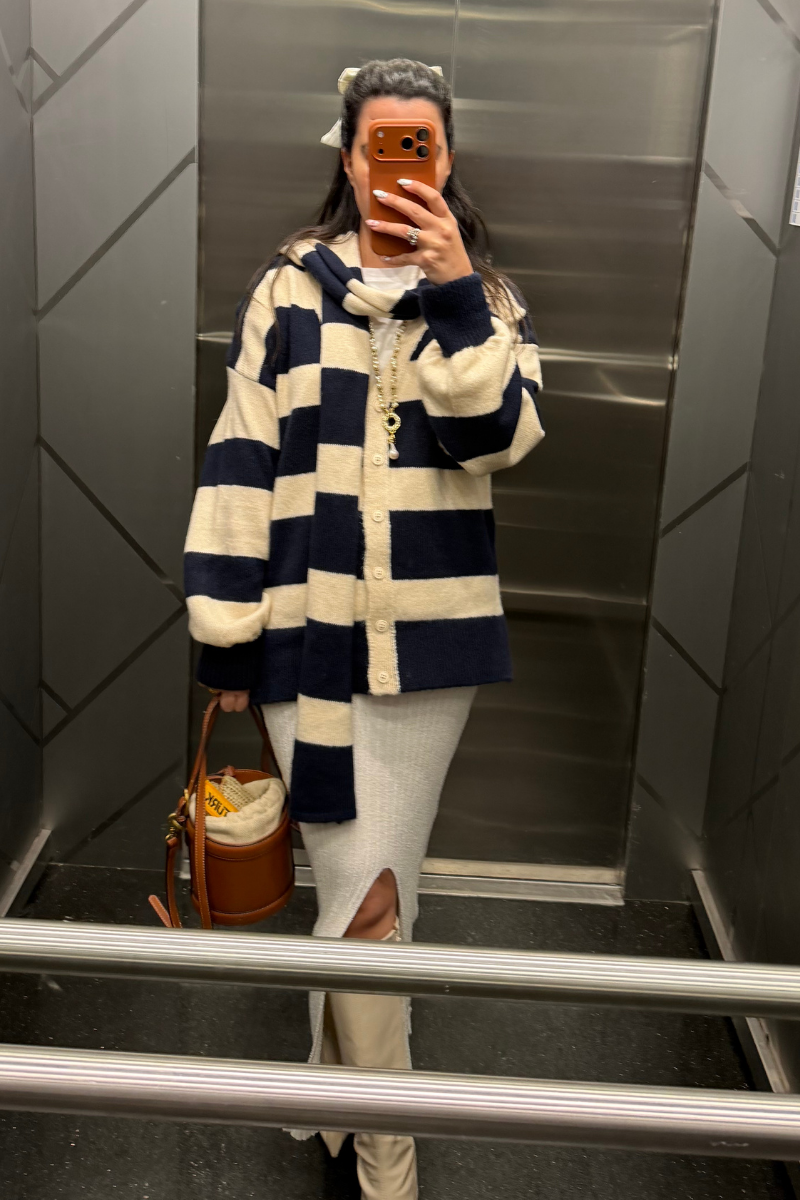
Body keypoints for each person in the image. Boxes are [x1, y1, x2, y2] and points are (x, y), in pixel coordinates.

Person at [184, 57, 544, 1200]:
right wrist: (227, 633)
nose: (398, 164)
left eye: (418, 146)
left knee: (373, 895)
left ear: (445, 159)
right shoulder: (287, 291)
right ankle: (390, 1154)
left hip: (429, 649)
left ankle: (337, 1108)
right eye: (380, 144)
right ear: (347, 158)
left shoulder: (484, 299)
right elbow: (240, 456)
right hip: (306, 639)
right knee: (367, 897)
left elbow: (499, 441)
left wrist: (452, 291)